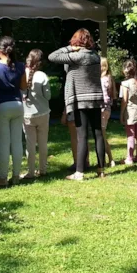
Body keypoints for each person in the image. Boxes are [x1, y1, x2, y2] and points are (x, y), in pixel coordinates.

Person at [49, 29, 105, 181]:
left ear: (76, 41)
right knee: (98, 133)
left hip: (80, 101)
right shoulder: (96, 56)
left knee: (82, 136)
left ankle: (79, 173)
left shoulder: (76, 57)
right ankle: (101, 170)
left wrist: (70, 49)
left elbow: (52, 56)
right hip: (96, 99)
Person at [0, 36, 27, 187]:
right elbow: (23, 87)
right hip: (17, 105)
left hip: (0, 105)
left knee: (3, 143)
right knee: (17, 141)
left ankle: (2, 177)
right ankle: (16, 175)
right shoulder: (20, 66)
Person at [22, 49, 51, 179]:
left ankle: (30, 171)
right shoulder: (42, 76)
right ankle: (43, 169)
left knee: (30, 144)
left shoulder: (21, 74)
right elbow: (48, 96)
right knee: (43, 143)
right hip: (43, 113)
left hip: (27, 114)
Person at [119, 59, 137, 165]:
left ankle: (129, 158)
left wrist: (121, 113)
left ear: (125, 70)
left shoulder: (125, 84)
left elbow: (124, 100)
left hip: (130, 111)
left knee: (130, 135)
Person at [100, 58, 117, 167]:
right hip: (108, 109)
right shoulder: (110, 79)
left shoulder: (101, 79)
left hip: (101, 108)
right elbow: (113, 95)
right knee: (102, 134)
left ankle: (110, 159)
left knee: (102, 135)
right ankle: (107, 159)